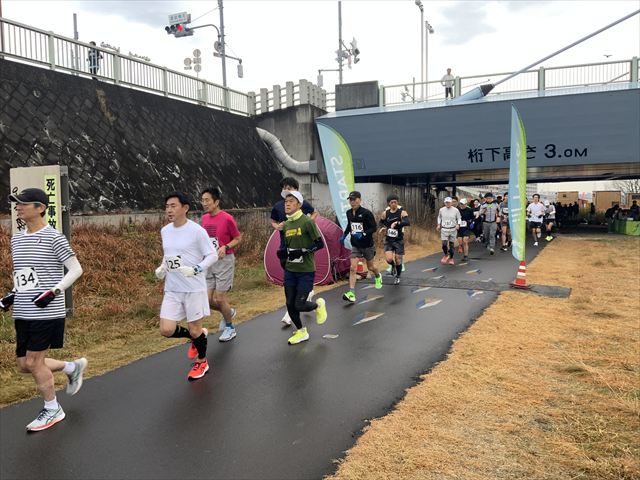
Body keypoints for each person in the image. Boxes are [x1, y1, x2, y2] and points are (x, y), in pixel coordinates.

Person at [5, 188, 87, 432]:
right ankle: (71, 367)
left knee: (34, 361)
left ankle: (52, 408)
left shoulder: (54, 237)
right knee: (24, 364)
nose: (18, 207)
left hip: (47, 311)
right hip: (23, 310)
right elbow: (24, 277)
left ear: (40, 208)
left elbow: (76, 269)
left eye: (23, 203)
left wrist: (54, 291)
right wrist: (11, 295)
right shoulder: (17, 239)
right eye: (17, 204)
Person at [155, 192, 218, 381]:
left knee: (195, 329)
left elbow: (212, 255)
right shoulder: (165, 231)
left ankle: (202, 361)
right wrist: (162, 267)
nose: (169, 210)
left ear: (185, 208)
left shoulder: (196, 231)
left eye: (173, 206)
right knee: (166, 329)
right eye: (167, 206)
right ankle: (194, 338)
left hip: (193, 288)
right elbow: (169, 255)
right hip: (172, 288)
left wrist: (196, 269)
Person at [277, 191, 327, 344]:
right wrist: (282, 253)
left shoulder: (307, 222)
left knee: (299, 304)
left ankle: (317, 305)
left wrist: (303, 251)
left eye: (291, 201)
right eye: (286, 201)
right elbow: (284, 246)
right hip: (290, 270)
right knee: (289, 304)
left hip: (306, 271)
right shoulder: (285, 225)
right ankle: (301, 331)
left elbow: (319, 244)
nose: (287, 204)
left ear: (299, 204)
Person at [270, 177, 317, 327]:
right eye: (284, 187)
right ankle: (299, 302)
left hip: (302, 247)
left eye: (290, 187)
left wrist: (307, 225)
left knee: (298, 294)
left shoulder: (303, 205)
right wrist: (277, 227)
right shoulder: (278, 206)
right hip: (286, 247)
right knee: (290, 288)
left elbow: (315, 214)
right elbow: (273, 221)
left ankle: (302, 298)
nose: (286, 190)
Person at [200, 187, 242, 343]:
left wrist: (226, 247)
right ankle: (228, 312)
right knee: (206, 299)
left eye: (207, 200)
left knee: (220, 297)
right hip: (209, 261)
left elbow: (238, 238)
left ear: (216, 202)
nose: (204, 203)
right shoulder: (204, 219)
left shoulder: (227, 218)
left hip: (224, 262)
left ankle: (230, 328)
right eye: (202, 200)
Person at [341, 191, 383, 303]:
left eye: (354, 200)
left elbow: (374, 228)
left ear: (360, 200)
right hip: (355, 245)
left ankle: (378, 275)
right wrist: (344, 235)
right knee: (352, 268)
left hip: (367, 245)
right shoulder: (349, 213)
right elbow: (350, 226)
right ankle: (351, 293)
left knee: (371, 267)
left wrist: (363, 234)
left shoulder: (366, 213)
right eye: (350, 200)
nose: (352, 202)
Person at [378, 194, 410, 285]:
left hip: (398, 239)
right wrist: (382, 227)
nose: (394, 204)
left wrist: (397, 223)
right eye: (392, 202)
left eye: (395, 202)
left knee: (398, 259)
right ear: (389, 203)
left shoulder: (402, 212)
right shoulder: (385, 213)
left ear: (397, 202)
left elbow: (407, 222)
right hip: (388, 239)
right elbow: (380, 222)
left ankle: (398, 276)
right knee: (389, 259)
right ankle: (393, 266)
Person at [437, 197, 461, 265]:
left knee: (451, 245)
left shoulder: (456, 210)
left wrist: (458, 224)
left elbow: (459, 218)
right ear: (444, 203)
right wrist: (438, 224)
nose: (447, 204)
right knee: (444, 244)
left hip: (453, 229)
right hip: (444, 229)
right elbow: (439, 217)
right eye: (446, 202)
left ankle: (451, 258)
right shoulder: (441, 210)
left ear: (451, 203)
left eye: (449, 202)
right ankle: (446, 255)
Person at [456, 198, 475, 262]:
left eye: (463, 204)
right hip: (459, 227)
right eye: (461, 204)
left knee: (465, 241)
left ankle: (465, 256)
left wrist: (472, 223)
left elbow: (473, 218)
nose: (462, 205)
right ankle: (460, 246)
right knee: (460, 241)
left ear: (466, 204)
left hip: (467, 227)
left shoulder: (470, 210)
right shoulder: (457, 210)